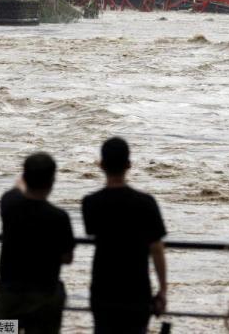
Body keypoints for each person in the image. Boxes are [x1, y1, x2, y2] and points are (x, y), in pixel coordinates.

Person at [82, 137, 168, 334]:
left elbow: (92, 231)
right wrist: (162, 290)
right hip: (136, 291)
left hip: (103, 289)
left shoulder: (90, 203)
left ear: (101, 165)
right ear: (129, 165)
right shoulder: (146, 203)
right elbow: (156, 249)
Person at [0, 152, 75, 334]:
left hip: (10, 291)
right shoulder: (59, 217)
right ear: (52, 182)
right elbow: (67, 258)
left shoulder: (9, 204)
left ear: (26, 177)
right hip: (45, 294)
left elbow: (16, 187)